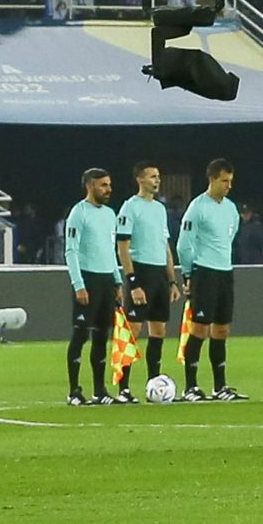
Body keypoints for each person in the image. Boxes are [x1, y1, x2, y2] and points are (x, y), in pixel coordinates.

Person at [177, 159, 244, 401]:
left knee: (222, 329)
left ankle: (220, 386)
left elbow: (230, 236)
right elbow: (184, 244)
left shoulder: (231, 209)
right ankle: (191, 387)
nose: (228, 186)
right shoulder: (197, 207)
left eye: (231, 181)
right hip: (204, 272)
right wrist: (188, 274)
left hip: (225, 272)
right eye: (224, 181)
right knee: (200, 328)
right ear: (212, 179)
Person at [63, 168, 123, 405]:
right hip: (87, 280)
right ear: (90, 186)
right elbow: (71, 250)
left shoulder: (110, 214)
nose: (108, 189)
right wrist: (78, 284)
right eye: (103, 185)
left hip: (106, 280)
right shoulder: (79, 213)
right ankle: (74, 391)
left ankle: (100, 391)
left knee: (101, 337)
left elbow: (110, 250)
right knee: (80, 335)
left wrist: (117, 280)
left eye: (109, 185)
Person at [116, 164, 174, 400]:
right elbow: (123, 247)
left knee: (159, 330)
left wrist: (172, 280)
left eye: (158, 176)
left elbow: (165, 245)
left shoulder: (160, 209)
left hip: (160, 274)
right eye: (152, 176)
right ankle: (124, 388)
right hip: (141, 272)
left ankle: (155, 383)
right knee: (133, 330)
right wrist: (133, 281)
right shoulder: (130, 207)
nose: (157, 180)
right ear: (139, 179)